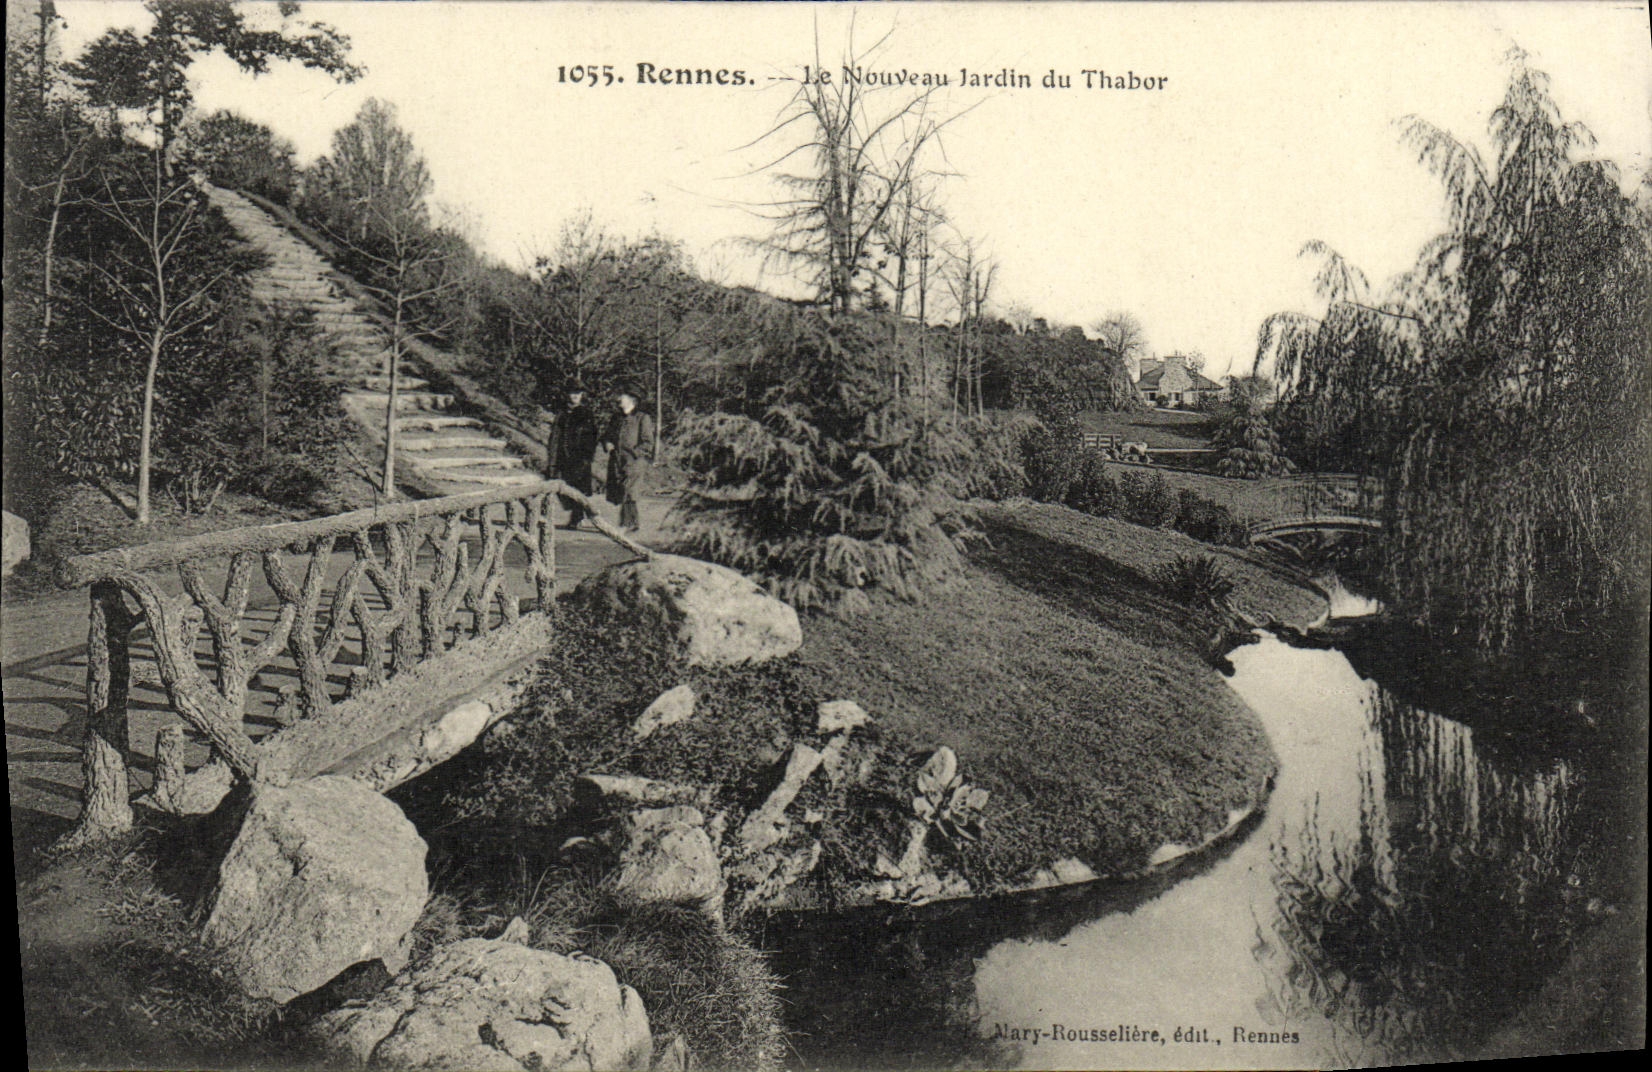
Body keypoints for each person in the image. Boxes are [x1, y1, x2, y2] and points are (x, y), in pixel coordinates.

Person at [602, 389, 654, 532]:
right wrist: (607, 444)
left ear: (632, 400)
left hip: (635, 462)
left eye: (622, 396)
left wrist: (634, 454)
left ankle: (625, 524)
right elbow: (606, 436)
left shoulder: (642, 418)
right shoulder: (616, 418)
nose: (619, 399)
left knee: (628, 490)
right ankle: (634, 523)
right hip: (617, 461)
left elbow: (648, 443)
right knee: (626, 492)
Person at [549, 385, 600, 529]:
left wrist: (587, 456)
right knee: (563, 487)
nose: (576, 396)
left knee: (579, 488)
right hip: (563, 457)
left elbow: (592, 436)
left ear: (582, 395)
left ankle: (577, 518)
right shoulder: (562, 414)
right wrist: (553, 457)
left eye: (578, 393)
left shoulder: (586, 413)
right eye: (573, 393)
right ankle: (577, 515)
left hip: (580, 457)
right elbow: (555, 437)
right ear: (567, 395)